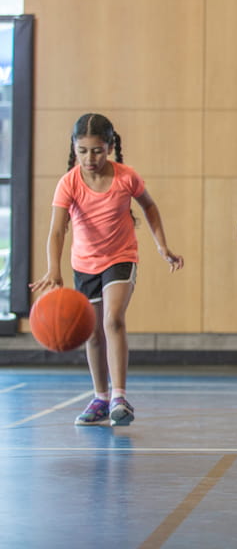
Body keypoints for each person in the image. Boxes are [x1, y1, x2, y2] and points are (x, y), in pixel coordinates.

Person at [30, 113, 184, 427]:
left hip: (120, 258)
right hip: (84, 264)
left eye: (97, 150)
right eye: (83, 150)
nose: (90, 157)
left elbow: (149, 206)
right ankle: (100, 397)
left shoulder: (126, 177)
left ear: (110, 146)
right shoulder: (69, 183)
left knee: (113, 320)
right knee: (92, 332)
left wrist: (161, 246)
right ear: (74, 148)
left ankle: (119, 397)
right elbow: (58, 231)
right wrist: (53, 270)